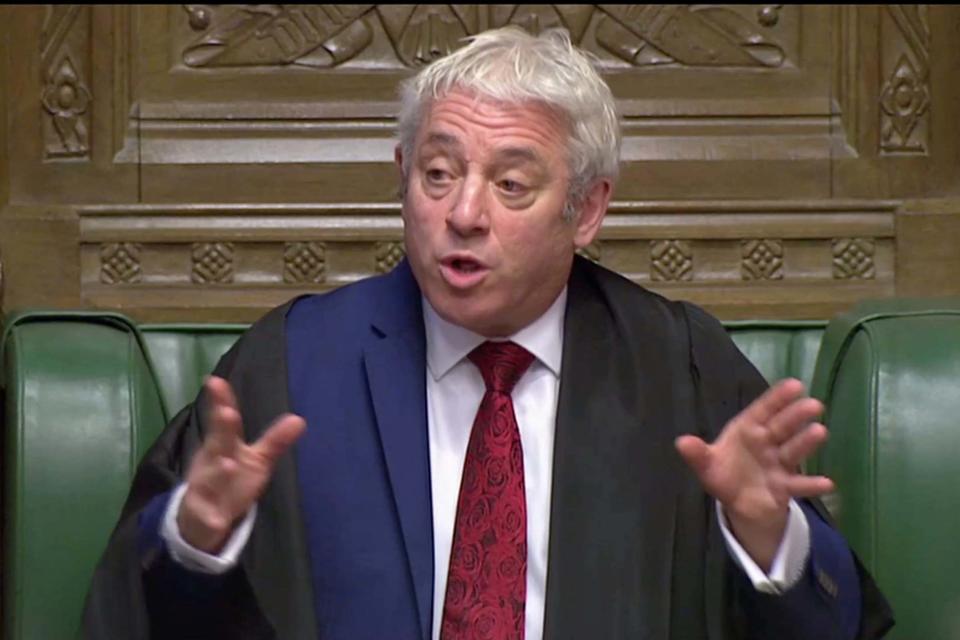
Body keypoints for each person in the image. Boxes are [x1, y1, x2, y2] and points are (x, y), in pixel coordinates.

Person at [82, 27, 893, 640]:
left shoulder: (679, 367)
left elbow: (834, 623)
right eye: (437, 174)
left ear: (588, 210)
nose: (462, 214)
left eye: (510, 184)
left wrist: (767, 542)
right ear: (401, 177)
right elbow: (136, 606)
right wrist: (195, 541)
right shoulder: (292, 365)